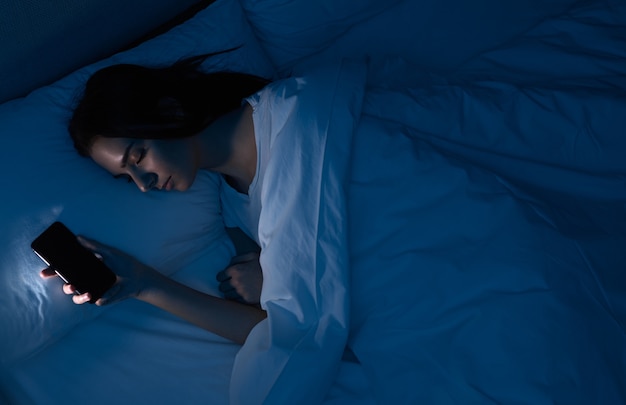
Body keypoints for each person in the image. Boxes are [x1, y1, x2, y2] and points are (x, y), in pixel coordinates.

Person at [40, 53, 271, 345]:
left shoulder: (296, 113)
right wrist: (142, 283)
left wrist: (275, 279)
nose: (143, 185)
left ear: (169, 112)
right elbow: (280, 336)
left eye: (137, 157)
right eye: (127, 178)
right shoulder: (235, 212)